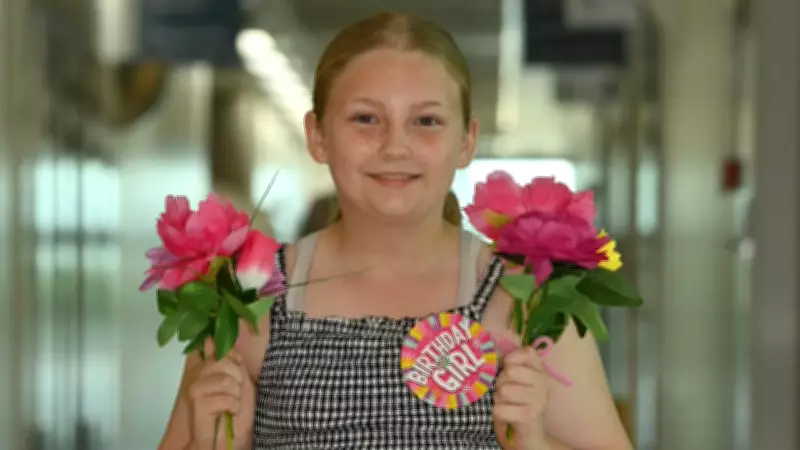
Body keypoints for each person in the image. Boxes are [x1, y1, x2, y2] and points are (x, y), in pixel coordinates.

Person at [158, 11, 632, 450]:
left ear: (466, 140)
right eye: (366, 119)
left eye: (426, 121)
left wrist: (534, 443)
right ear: (317, 135)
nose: (395, 147)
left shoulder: (527, 304)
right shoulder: (249, 296)